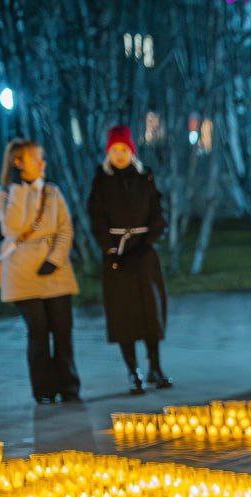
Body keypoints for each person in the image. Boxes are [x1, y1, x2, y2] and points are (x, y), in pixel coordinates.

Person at [0, 138, 82, 404]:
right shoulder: (2, 195)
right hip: (22, 273)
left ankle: (69, 387)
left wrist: (55, 259)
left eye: (42, 157)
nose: (42, 163)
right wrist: (20, 189)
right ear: (17, 162)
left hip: (56, 271)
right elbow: (12, 228)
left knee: (62, 330)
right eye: (35, 158)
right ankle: (43, 390)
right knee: (38, 332)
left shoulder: (52, 192)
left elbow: (65, 228)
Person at [87, 125, 169, 396]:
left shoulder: (144, 176)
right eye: (114, 150)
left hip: (143, 252)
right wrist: (111, 250)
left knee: (150, 310)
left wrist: (149, 240)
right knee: (123, 313)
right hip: (117, 254)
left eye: (124, 149)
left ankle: (155, 366)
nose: (119, 155)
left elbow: (157, 211)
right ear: (108, 153)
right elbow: (96, 218)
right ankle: (133, 371)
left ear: (131, 151)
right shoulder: (101, 180)